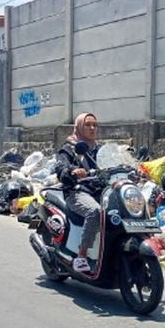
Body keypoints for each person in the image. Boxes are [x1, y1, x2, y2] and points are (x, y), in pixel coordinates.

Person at [55, 113, 101, 273]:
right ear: (80, 126)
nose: (92, 128)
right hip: (77, 191)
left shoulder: (99, 149)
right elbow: (60, 167)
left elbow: (112, 163)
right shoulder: (70, 147)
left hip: (98, 190)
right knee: (95, 211)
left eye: (95, 125)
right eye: (88, 125)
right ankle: (81, 256)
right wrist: (74, 170)